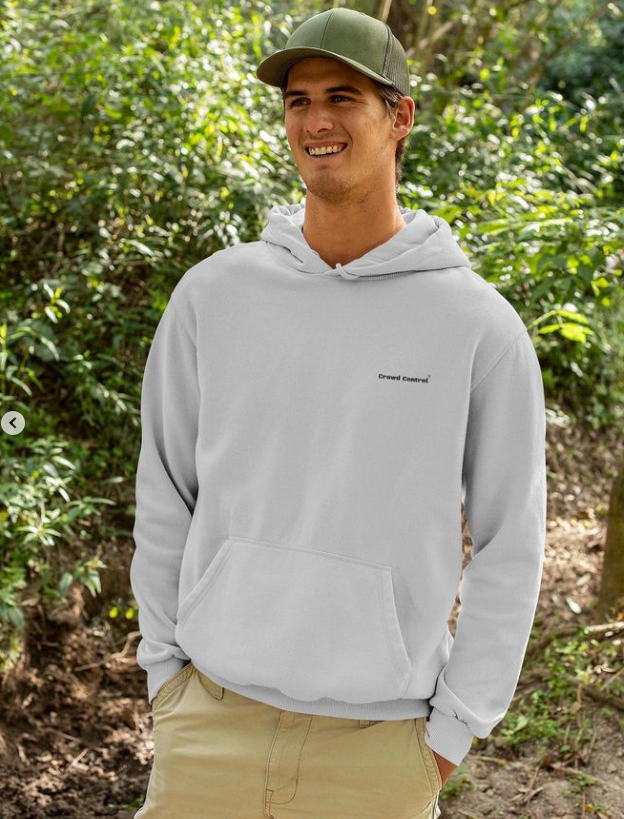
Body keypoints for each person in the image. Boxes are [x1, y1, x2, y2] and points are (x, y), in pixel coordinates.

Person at [130, 8, 547, 819]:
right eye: (299, 100)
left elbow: (511, 543)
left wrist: (451, 733)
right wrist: (165, 675)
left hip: (379, 752)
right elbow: (164, 489)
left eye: (342, 97)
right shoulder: (214, 296)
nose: (315, 121)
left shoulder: (477, 327)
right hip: (206, 724)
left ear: (400, 117)